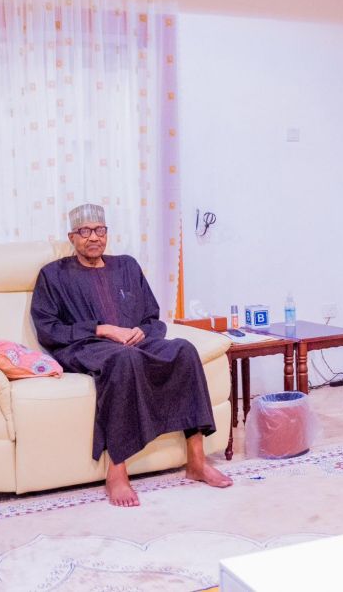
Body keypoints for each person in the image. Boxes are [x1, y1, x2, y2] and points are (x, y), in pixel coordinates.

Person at [30, 204, 232, 507]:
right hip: (88, 346)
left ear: (107, 233)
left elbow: (152, 318)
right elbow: (49, 329)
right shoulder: (53, 275)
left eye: (99, 230)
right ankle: (117, 471)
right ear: (72, 237)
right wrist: (101, 329)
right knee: (124, 360)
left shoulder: (126, 266)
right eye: (85, 232)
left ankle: (197, 461)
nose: (94, 237)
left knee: (184, 350)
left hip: (136, 343)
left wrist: (140, 332)